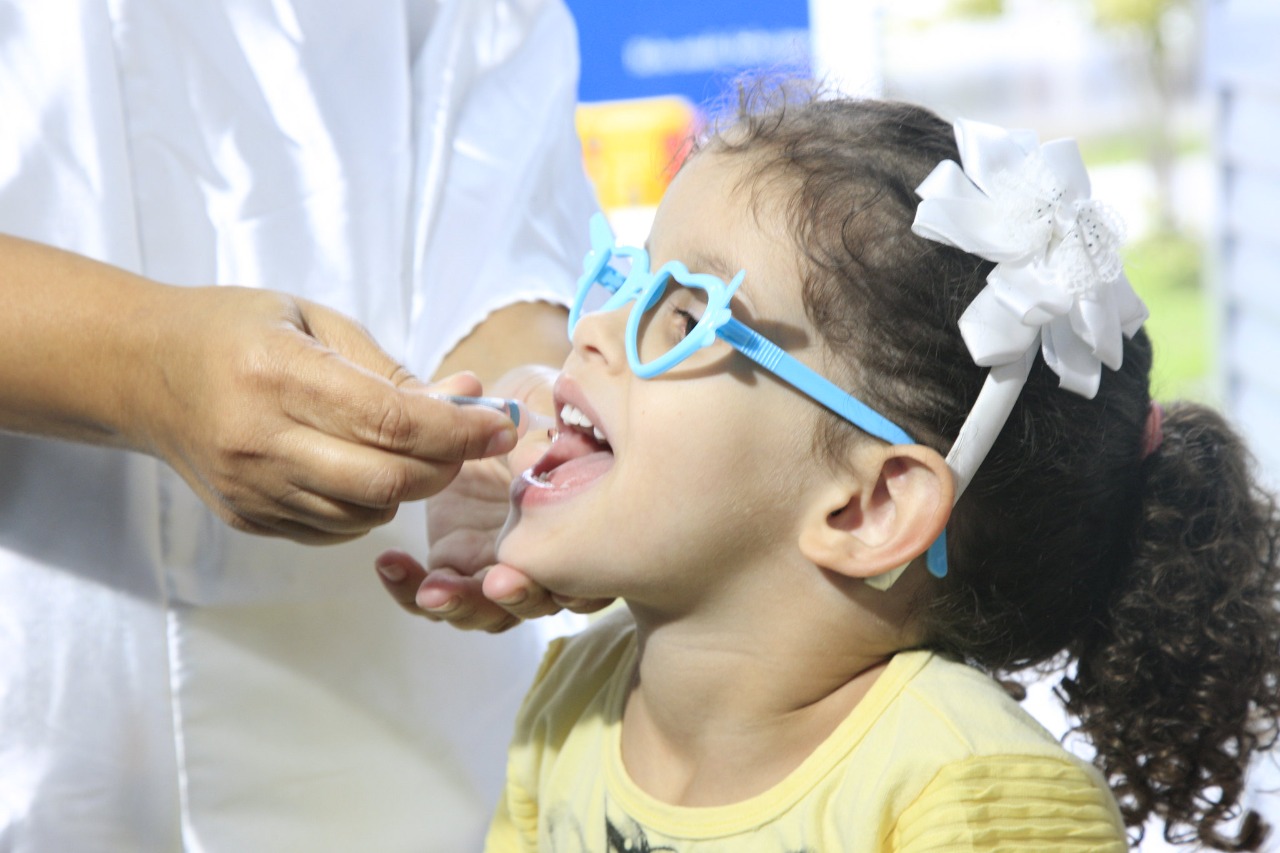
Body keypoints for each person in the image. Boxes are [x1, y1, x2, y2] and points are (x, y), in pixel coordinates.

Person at [481, 92, 1280, 851]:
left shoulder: (967, 795)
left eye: (687, 316)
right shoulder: (572, 699)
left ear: (871, 505)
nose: (590, 327)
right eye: (626, 277)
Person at [0, 1, 597, 850]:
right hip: (46, 686)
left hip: (397, 714)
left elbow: (500, 200)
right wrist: (141, 365)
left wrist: (513, 393)